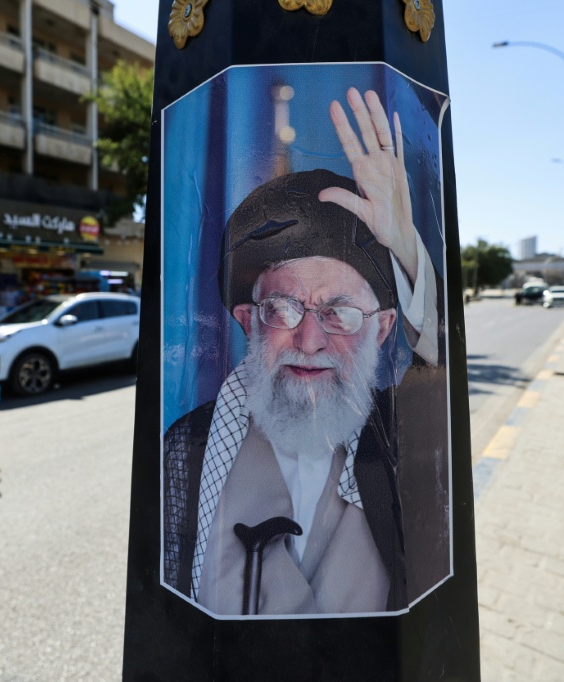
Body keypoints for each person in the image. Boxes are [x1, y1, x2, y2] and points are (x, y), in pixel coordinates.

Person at [163, 88, 449, 616]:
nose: (310, 340)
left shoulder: (399, 435)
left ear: (383, 329)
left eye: (340, 313)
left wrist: (407, 248)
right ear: (248, 320)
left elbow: (442, 367)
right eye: (283, 308)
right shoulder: (188, 447)